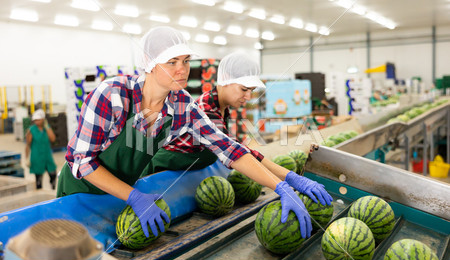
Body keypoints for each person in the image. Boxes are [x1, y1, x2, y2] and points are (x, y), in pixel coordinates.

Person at [57, 26, 315, 240]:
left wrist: (282, 185)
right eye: (172, 62)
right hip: (79, 193)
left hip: (124, 192)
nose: (182, 69)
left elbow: (228, 148)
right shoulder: (112, 95)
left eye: (186, 61)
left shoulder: (181, 105)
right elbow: (81, 162)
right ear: (150, 65)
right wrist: (134, 196)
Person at [160, 51, 333, 208]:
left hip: (186, 176)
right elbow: (234, 151)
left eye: (250, 90)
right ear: (225, 79)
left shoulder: (220, 106)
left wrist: (289, 178)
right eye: (244, 89)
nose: (248, 97)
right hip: (162, 179)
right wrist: (286, 181)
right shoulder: (204, 108)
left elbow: (237, 149)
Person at [25, 109, 57, 190]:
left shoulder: (47, 128)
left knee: (53, 173)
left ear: (43, 119)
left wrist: (47, 127)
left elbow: (53, 139)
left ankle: (52, 190)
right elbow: (28, 145)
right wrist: (27, 158)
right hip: (37, 157)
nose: (36, 122)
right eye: (35, 120)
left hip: (47, 156)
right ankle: (40, 194)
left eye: (38, 120)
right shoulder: (31, 130)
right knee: (38, 179)